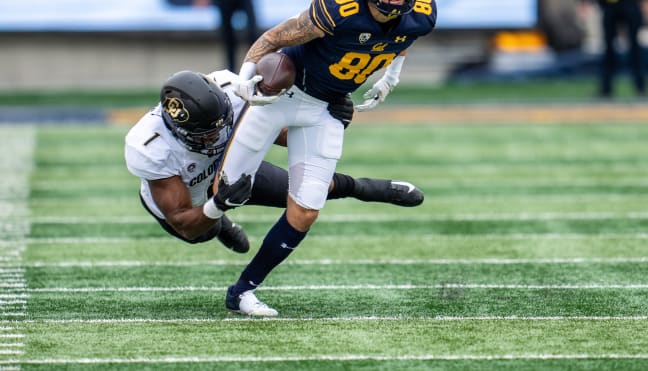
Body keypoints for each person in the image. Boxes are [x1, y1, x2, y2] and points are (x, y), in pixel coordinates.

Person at [207, 0, 437, 316]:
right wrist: (247, 79)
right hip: (280, 97)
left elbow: (403, 38)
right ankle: (212, 214)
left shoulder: (422, 13)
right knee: (226, 190)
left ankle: (243, 290)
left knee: (306, 209)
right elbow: (272, 38)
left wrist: (389, 76)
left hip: (326, 107)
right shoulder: (338, 6)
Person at [124, 69, 424, 256]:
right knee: (199, 235)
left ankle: (368, 188)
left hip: (231, 164)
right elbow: (182, 221)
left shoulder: (232, 88)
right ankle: (221, 227)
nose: (220, 133)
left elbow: (277, 133)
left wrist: (324, 122)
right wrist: (219, 206)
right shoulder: (150, 146)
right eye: (209, 132)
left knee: (308, 189)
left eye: (222, 123)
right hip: (189, 195)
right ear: (178, 130)